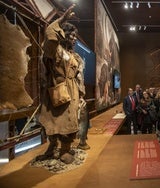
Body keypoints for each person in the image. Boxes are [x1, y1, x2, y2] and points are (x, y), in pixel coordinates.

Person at [37, 4, 86, 164]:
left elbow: (79, 78)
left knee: (69, 122)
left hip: (71, 93)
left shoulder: (75, 57)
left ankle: (65, 150)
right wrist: (62, 19)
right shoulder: (55, 50)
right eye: (70, 34)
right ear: (62, 34)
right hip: (56, 91)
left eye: (75, 36)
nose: (73, 38)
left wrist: (81, 96)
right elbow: (50, 36)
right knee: (52, 121)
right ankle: (52, 147)